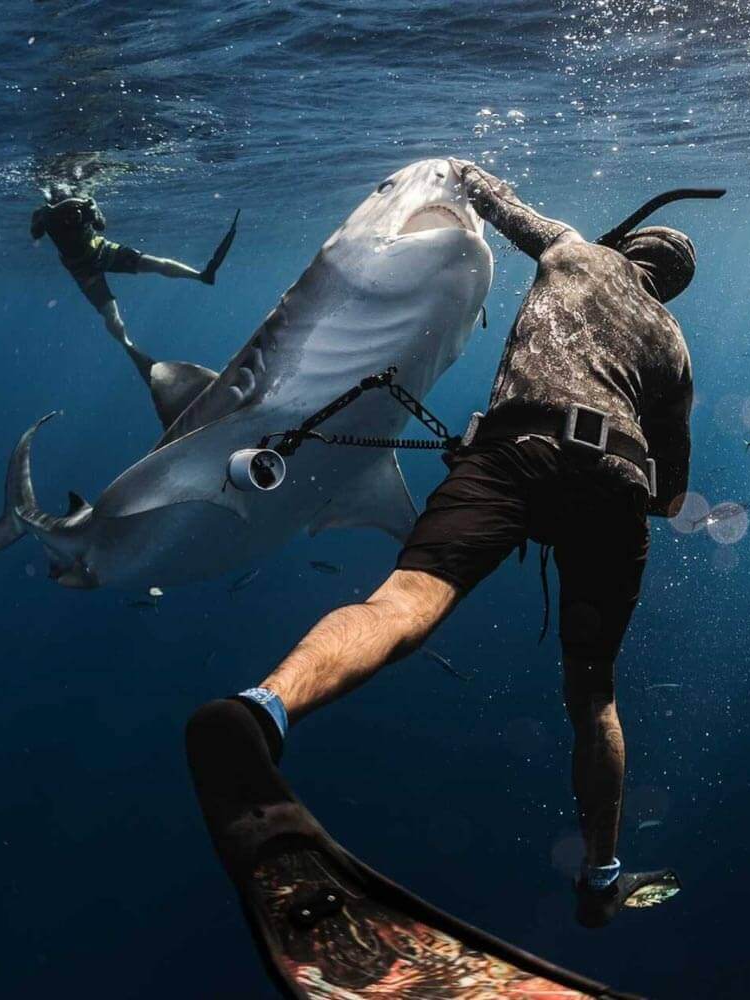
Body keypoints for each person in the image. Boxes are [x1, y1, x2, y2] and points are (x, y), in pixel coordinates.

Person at [193, 160, 699, 928]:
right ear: (668, 285)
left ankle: (263, 709)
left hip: (511, 454)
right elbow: (670, 498)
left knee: (400, 603)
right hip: (613, 486)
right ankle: (601, 874)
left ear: (628, 246)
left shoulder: (572, 252)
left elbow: (486, 193)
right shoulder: (674, 349)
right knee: (593, 695)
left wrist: (457, 170)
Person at [30, 183, 237, 374]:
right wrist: (44, 219)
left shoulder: (83, 202)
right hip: (85, 267)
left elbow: (101, 225)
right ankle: (128, 345)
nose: (68, 213)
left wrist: (91, 212)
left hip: (99, 253)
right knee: (112, 313)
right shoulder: (44, 212)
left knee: (154, 266)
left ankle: (201, 275)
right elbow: (35, 233)